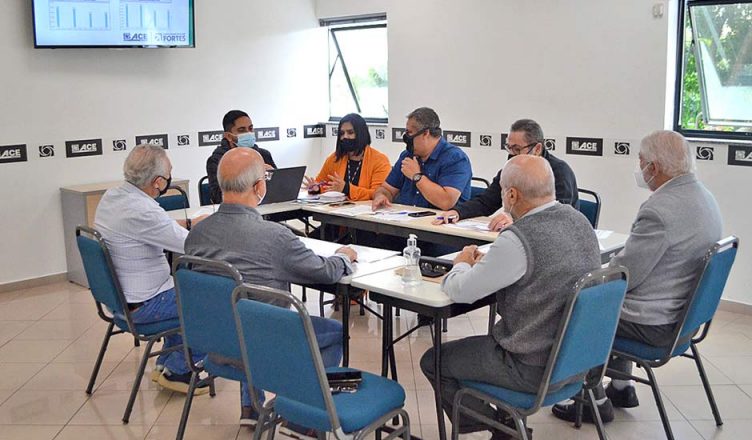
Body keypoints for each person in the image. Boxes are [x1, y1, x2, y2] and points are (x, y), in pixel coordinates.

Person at [419, 155, 600, 439]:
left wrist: (462, 262)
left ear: (511, 194)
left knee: (434, 360)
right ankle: (506, 425)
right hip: (577, 361)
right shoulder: (580, 222)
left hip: (530, 366)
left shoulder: (518, 238)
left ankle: (502, 428)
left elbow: (461, 290)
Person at [552, 130, 723, 424]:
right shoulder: (703, 196)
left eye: (641, 162)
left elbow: (626, 274)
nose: (639, 169)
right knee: (611, 300)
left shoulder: (660, 210)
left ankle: (594, 399)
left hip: (656, 322)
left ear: (653, 168)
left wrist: (584, 284)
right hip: (685, 317)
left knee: (573, 309)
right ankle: (622, 387)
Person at [185, 147, 357, 437]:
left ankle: (250, 409)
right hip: (263, 352)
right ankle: (303, 418)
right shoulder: (274, 237)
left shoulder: (196, 236)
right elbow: (326, 272)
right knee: (332, 331)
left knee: (239, 310)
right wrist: (344, 256)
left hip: (216, 345)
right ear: (259, 187)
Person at [94, 144, 208, 394]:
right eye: (168, 174)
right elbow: (189, 244)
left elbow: (154, 226)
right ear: (158, 182)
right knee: (210, 301)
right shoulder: (144, 210)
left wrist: (189, 222)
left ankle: (167, 362)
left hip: (121, 301)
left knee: (179, 288)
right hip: (146, 305)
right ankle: (180, 370)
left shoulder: (113, 196)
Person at [434, 119, 578, 231]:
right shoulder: (513, 167)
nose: (511, 154)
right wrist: (457, 212)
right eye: (509, 148)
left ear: (537, 148)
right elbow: (487, 201)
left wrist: (517, 221)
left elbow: (556, 216)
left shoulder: (559, 171)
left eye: (517, 149)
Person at [372, 107, 472, 211]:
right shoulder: (407, 156)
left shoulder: (455, 159)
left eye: (409, 133)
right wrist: (381, 196)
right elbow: (386, 189)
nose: (406, 138)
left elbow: (446, 202)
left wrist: (417, 176)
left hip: (439, 224)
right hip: (404, 221)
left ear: (425, 133)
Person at [305, 113, 391, 201]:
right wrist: (317, 188)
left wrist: (347, 189)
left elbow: (378, 194)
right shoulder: (334, 158)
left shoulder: (379, 160)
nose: (345, 136)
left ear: (361, 134)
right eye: (342, 133)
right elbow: (324, 184)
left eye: (350, 132)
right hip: (337, 210)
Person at [206, 110, 277, 204]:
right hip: (235, 212)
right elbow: (218, 197)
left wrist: (271, 175)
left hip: (268, 208)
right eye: (242, 130)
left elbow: (280, 188)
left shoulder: (264, 155)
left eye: (250, 128)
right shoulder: (217, 160)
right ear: (228, 136)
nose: (248, 133)